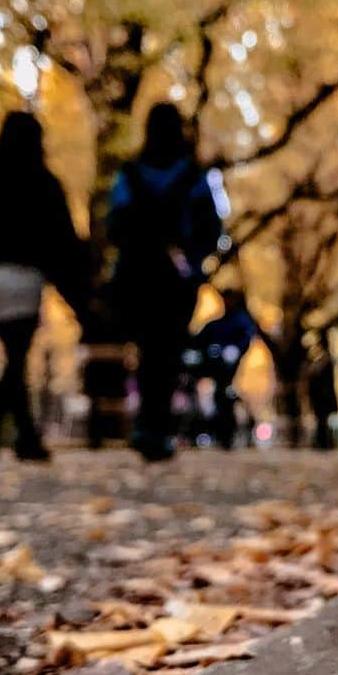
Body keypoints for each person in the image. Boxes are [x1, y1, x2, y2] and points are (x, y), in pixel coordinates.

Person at [0, 111, 87, 461]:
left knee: (14, 357)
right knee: (16, 359)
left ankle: (14, 436)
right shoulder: (44, 182)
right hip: (25, 281)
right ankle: (3, 436)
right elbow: (64, 238)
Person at [106, 103, 224, 461]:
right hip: (177, 278)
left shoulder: (130, 173)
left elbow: (114, 225)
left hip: (138, 275)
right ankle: (157, 427)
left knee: (147, 351)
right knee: (167, 352)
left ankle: (147, 425)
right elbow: (211, 229)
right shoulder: (193, 175)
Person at [193, 288, 263, 449]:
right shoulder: (217, 323)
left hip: (234, 370)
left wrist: (235, 350)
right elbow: (201, 339)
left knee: (227, 397)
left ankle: (230, 433)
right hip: (217, 367)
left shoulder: (241, 321)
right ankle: (219, 432)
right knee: (218, 397)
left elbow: (246, 338)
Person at [305, 332, 338, 449]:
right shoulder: (316, 361)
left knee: (323, 421)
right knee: (320, 421)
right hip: (317, 397)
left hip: (323, 397)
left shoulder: (326, 360)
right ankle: (322, 442)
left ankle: (323, 443)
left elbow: (324, 381)